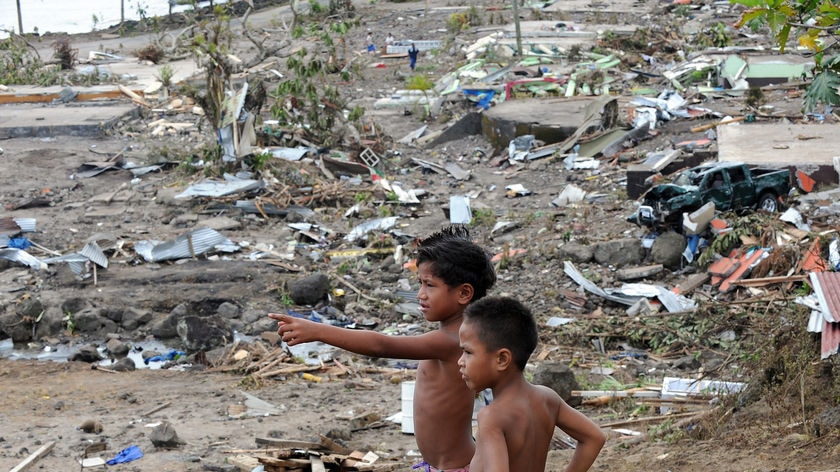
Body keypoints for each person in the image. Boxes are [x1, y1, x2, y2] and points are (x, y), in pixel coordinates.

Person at [269, 226, 497, 472]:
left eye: (430, 285)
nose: (420, 294)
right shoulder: (453, 335)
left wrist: (318, 330)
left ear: (464, 293)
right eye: (419, 283)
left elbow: (380, 345)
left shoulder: (452, 341)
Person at [458, 296, 606, 472]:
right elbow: (594, 437)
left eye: (468, 352)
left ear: (502, 359)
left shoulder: (492, 416)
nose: (460, 361)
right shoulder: (547, 398)